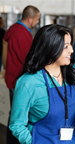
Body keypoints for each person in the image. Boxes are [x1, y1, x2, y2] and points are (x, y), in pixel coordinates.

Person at [9, 24, 75, 144]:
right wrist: (34, 142)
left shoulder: (73, 72)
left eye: (70, 45)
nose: (72, 50)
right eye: (66, 47)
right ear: (51, 48)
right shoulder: (28, 83)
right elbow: (17, 125)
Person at [3, 5, 40, 144]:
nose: (37, 22)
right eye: (37, 19)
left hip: (12, 77)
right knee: (18, 116)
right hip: (18, 80)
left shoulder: (13, 28)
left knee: (14, 113)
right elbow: (28, 60)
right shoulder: (22, 34)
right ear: (30, 19)